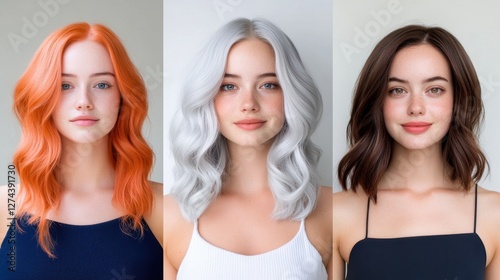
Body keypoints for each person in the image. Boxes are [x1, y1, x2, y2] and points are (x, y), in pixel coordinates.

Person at [164, 18, 332, 279]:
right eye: (229, 86)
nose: (248, 104)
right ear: (206, 96)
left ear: (292, 94)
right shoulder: (169, 215)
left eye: (268, 85)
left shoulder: (331, 210)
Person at [332, 24, 500, 279]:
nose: (416, 107)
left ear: (458, 100)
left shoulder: (494, 213)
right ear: (377, 100)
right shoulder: (338, 213)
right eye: (397, 90)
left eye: (435, 90)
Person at [0, 22, 163, 279]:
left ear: (123, 97)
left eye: (102, 85)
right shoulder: (5, 207)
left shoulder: (164, 207)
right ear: (42, 97)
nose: (84, 102)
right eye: (65, 86)